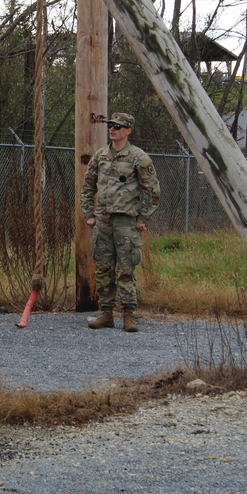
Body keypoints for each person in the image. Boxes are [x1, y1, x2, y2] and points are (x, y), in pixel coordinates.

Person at [81, 112, 160, 332]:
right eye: (111, 125)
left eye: (117, 126)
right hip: (103, 221)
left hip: (126, 222)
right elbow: (88, 186)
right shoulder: (100, 156)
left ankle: (128, 315)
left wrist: (143, 217)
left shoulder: (138, 157)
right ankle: (106, 314)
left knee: (126, 269)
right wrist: (89, 214)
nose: (112, 129)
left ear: (128, 131)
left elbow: (152, 190)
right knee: (104, 268)